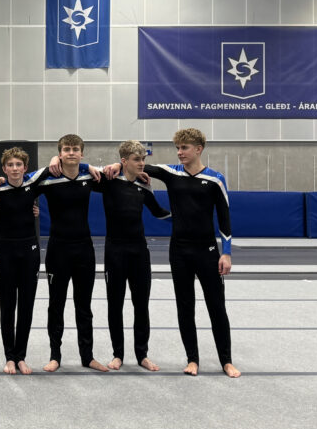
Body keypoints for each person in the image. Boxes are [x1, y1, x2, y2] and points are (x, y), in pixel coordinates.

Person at [140, 128, 240, 378]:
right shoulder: (171, 173)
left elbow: (225, 218)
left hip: (207, 251)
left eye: (184, 148)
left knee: (217, 307)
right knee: (185, 307)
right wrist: (112, 166)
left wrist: (226, 253)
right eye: (177, 148)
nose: (179, 152)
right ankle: (192, 359)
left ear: (198, 149)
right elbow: (135, 163)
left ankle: (226, 361)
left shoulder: (216, 179)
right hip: (179, 251)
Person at [91, 140, 171, 372]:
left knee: (141, 305)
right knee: (115, 305)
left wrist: (184, 214)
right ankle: (118, 354)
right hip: (115, 252)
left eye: (144, 159)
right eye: (137, 160)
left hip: (139, 253)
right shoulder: (108, 181)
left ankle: (142, 354)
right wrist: (112, 166)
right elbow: (80, 174)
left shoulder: (144, 185)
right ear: (124, 161)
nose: (142, 163)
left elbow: (158, 212)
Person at [39, 134, 108, 373]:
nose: (71, 153)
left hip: (84, 250)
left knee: (84, 306)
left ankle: (87, 356)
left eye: (75, 149)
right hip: (58, 250)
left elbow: (119, 174)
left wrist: (92, 166)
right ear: (60, 153)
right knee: (56, 305)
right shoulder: (48, 178)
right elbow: (19, 181)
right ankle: (55, 356)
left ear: (81, 153)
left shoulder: (90, 176)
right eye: (66, 149)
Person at [0, 147, 48, 375]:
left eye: (18, 165)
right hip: (6, 252)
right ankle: (9, 357)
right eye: (10, 165)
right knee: (7, 306)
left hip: (29, 251)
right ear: (4, 169)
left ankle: (21, 356)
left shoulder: (33, 186)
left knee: (26, 306)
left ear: (25, 167)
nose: (14, 169)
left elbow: (54, 166)